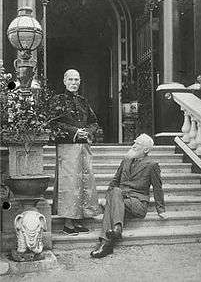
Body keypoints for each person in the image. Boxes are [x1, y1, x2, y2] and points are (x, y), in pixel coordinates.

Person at [90, 133, 168, 258]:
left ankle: (107, 241)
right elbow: (114, 181)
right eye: (134, 142)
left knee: (113, 201)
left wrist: (161, 209)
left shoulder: (152, 165)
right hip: (120, 199)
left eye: (137, 144)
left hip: (137, 203)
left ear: (146, 149)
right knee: (115, 191)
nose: (133, 145)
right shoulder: (126, 160)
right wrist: (107, 198)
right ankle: (114, 233)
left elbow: (158, 188)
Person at [52, 69, 100, 235]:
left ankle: (79, 220)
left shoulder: (83, 101)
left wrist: (88, 132)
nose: (74, 83)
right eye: (71, 79)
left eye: (77, 80)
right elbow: (54, 124)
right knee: (70, 184)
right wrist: (75, 131)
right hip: (67, 147)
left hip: (84, 147)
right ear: (64, 81)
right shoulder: (57, 101)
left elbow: (94, 122)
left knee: (85, 183)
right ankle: (68, 224)